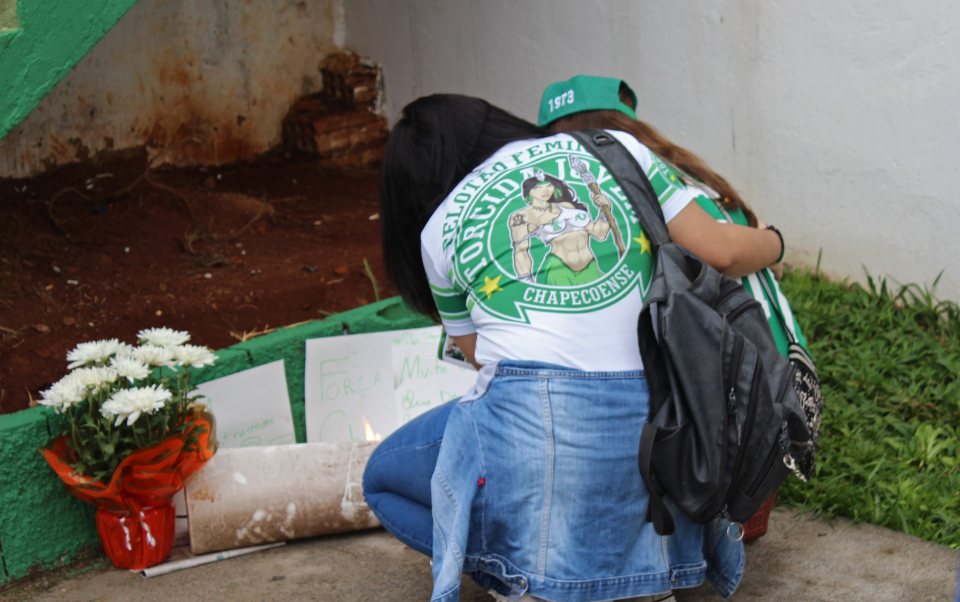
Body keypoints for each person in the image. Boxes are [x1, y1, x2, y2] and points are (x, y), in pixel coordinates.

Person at [364, 93, 784, 602]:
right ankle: (643, 570)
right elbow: (724, 250)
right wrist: (775, 243)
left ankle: (522, 574)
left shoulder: (437, 231)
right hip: (667, 423)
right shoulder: (617, 150)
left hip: (533, 418)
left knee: (385, 477)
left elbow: (483, 363)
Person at [538, 74, 809, 356]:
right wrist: (773, 242)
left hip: (738, 356)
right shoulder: (671, 170)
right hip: (764, 351)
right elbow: (721, 251)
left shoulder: (601, 184)